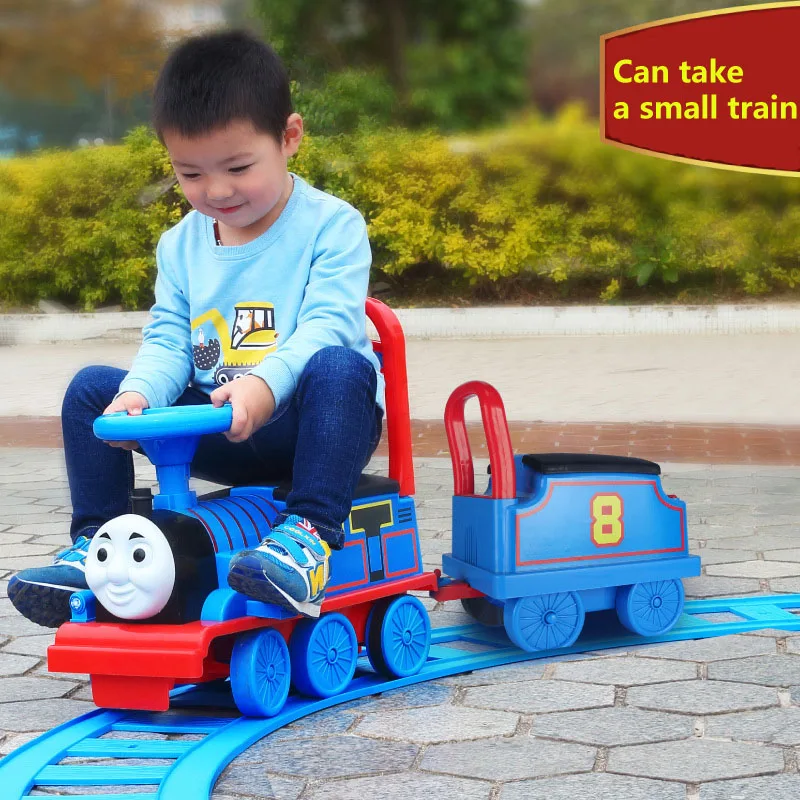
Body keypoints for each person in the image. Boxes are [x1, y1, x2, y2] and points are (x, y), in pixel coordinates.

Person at [8, 30, 384, 627]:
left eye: (238, 167)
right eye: (191, 173)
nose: (217, 190)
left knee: (343, 366)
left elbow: (327, 327)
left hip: (307, 428)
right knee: (91, 390)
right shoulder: (180, 245)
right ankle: (96, 547)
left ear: (289, 137)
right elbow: (168, 342)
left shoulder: (332, 226)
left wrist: (263, 385)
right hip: (214, 426)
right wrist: (139, 393)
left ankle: (308, 538)